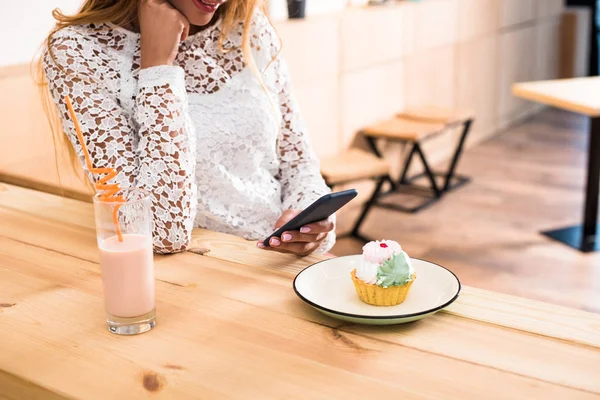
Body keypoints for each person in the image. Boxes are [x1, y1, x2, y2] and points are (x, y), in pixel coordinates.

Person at [41, 0, 335, 256]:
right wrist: (157, 70)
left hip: (283, 265)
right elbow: (158, 233)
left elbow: (298, 162)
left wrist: (308, 219)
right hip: (196, 278)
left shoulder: (247, 24)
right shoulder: (78, 51)